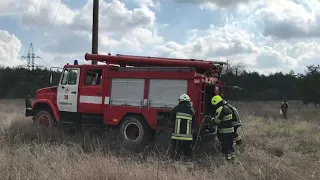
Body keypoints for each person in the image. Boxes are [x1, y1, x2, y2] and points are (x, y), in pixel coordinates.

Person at [169, 94, 196, 163]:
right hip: (188, 138)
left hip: (177, 137)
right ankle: (188, 167)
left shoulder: (176, 108)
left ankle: (175, 168)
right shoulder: (192, 111)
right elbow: (193, 125)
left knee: (176, 153)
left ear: (180, 101)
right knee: (187, 154)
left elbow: (171, 119)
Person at [211, 95, 235, 160]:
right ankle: (232, 158)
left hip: (224, 131)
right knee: (230, 145)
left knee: (225, 146)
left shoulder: (219, 109)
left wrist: (211, 120)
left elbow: (217, 121)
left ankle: (227, 159)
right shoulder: (227, 108)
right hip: (231, 130)